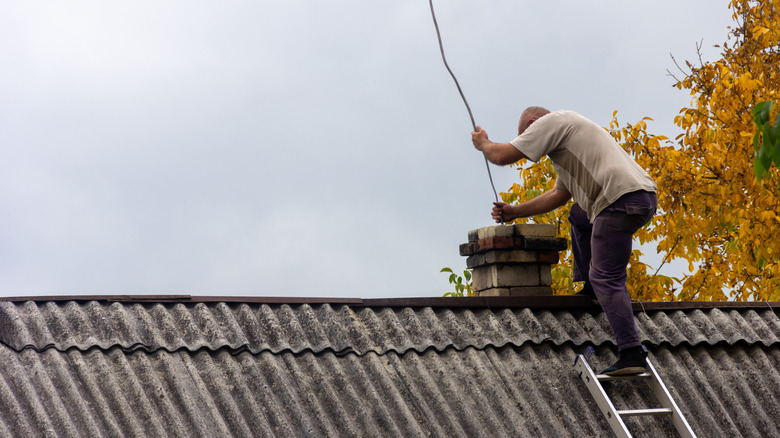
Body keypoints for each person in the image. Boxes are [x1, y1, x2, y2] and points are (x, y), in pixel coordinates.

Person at [471, 107, 657, 376]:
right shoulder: (567, 143)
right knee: (579, 215)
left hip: (618, 200)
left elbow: (502, 156)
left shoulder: (552, 122)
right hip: (636, 196)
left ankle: (631, 353)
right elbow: (560, 195)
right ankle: (593, 288)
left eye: (526, 136)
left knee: (607, 276)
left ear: (534, 124)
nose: (529, 142)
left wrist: (483, 144)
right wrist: (515, 211)